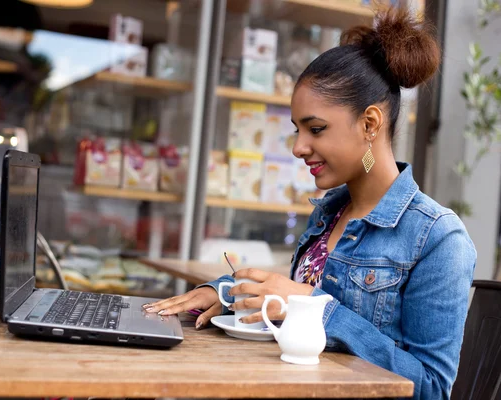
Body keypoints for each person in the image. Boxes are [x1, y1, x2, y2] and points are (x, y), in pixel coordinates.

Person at [143, 6, 476, 400]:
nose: (299, 147)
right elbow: (295, 316)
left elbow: (432, 389)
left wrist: (315, 306)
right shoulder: (330, 213)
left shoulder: (438, 238)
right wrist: (227, 292)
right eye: (297, 129)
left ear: (370, 124)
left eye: (315, 129)